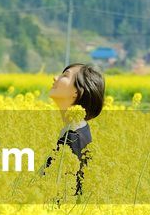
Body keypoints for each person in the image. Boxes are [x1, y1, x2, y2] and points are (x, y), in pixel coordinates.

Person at [44, 62, 105, 198]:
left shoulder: (73, 139)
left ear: (77, 92)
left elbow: (61, 196)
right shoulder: (79, 130)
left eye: (65, 76)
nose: (55, 78)